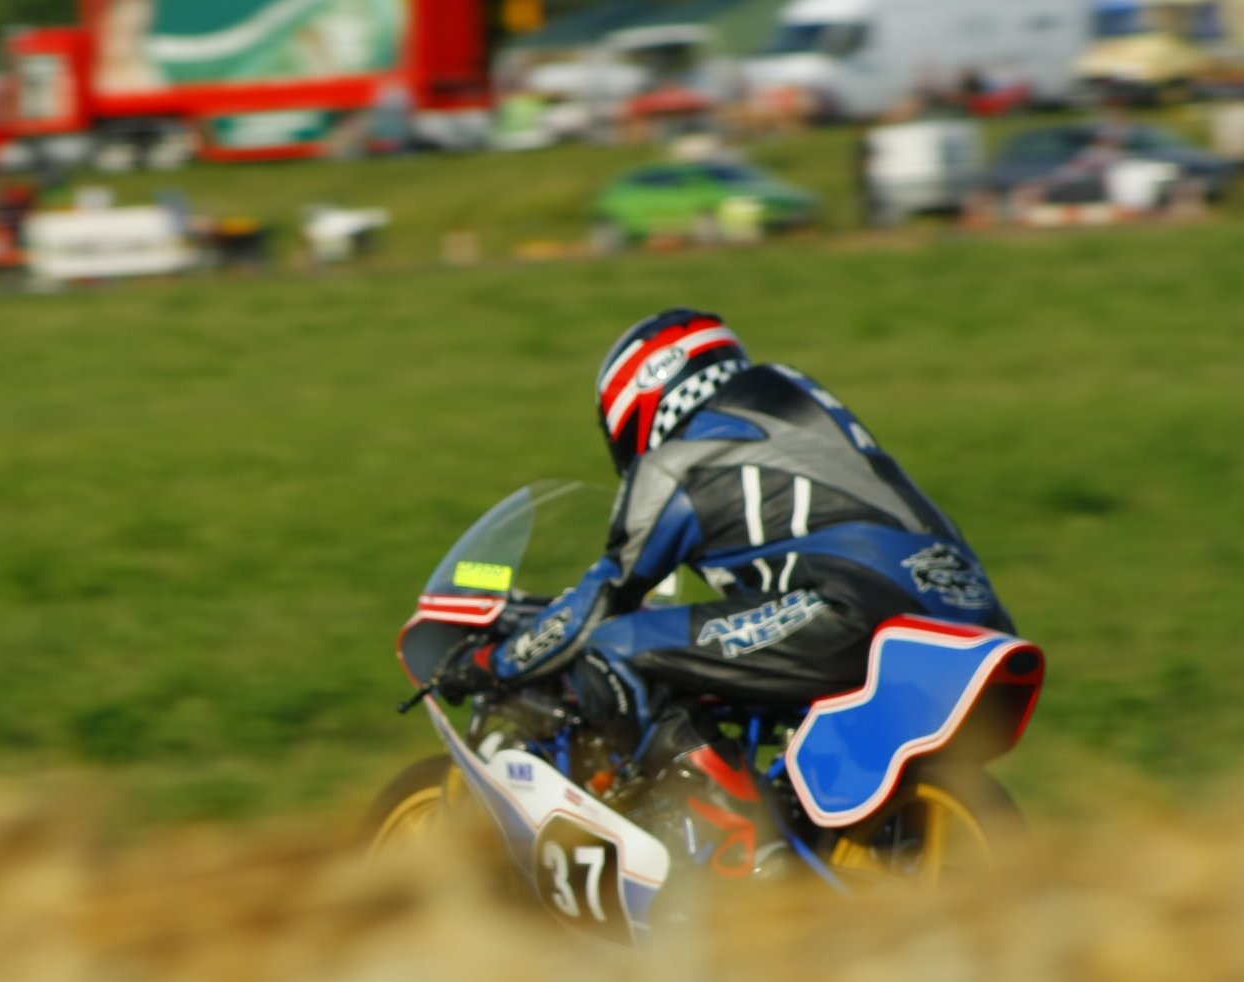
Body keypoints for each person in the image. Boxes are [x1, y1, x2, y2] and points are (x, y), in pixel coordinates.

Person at [435, 308, 1015, 801]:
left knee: (616, 644)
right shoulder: (793, 412)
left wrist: (493, 663)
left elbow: (602, 600)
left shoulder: (680, 459)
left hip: (852, 607)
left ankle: (730, 819)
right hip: (968, 608)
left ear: (638, 406)